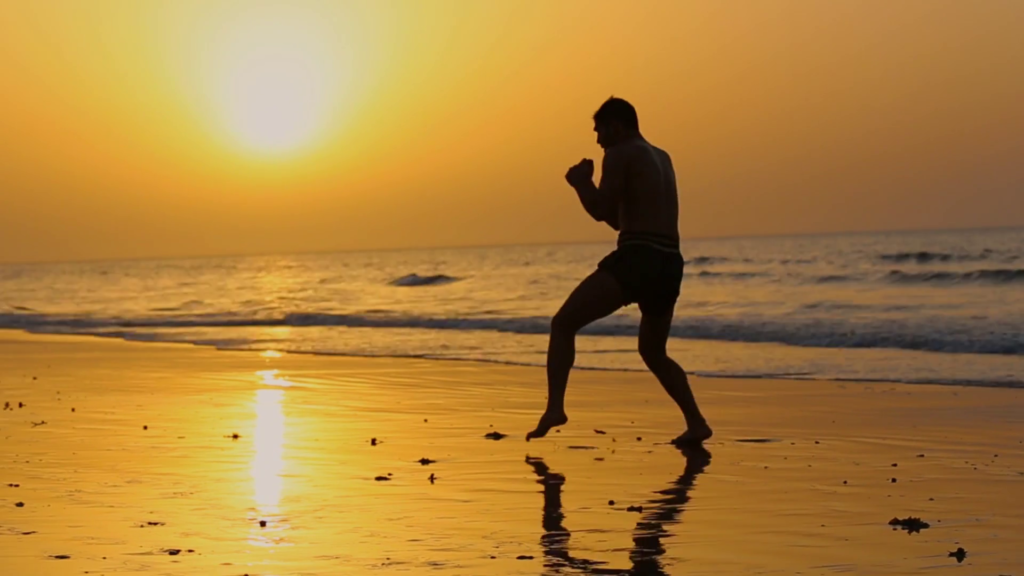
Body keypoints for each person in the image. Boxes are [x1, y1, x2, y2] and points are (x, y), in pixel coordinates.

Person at [526, 97, 712, 445]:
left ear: (616, 126)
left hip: (638, 257)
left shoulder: (620, 153)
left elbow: (599, 210)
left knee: (563, 323)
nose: (597, 141)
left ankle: (555, 408)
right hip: (669, 261)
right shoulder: (662, 157)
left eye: (599, 131)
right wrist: (590, 188)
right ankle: (697, 423)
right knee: (653, 352)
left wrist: (581, 182)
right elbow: (619, 220)